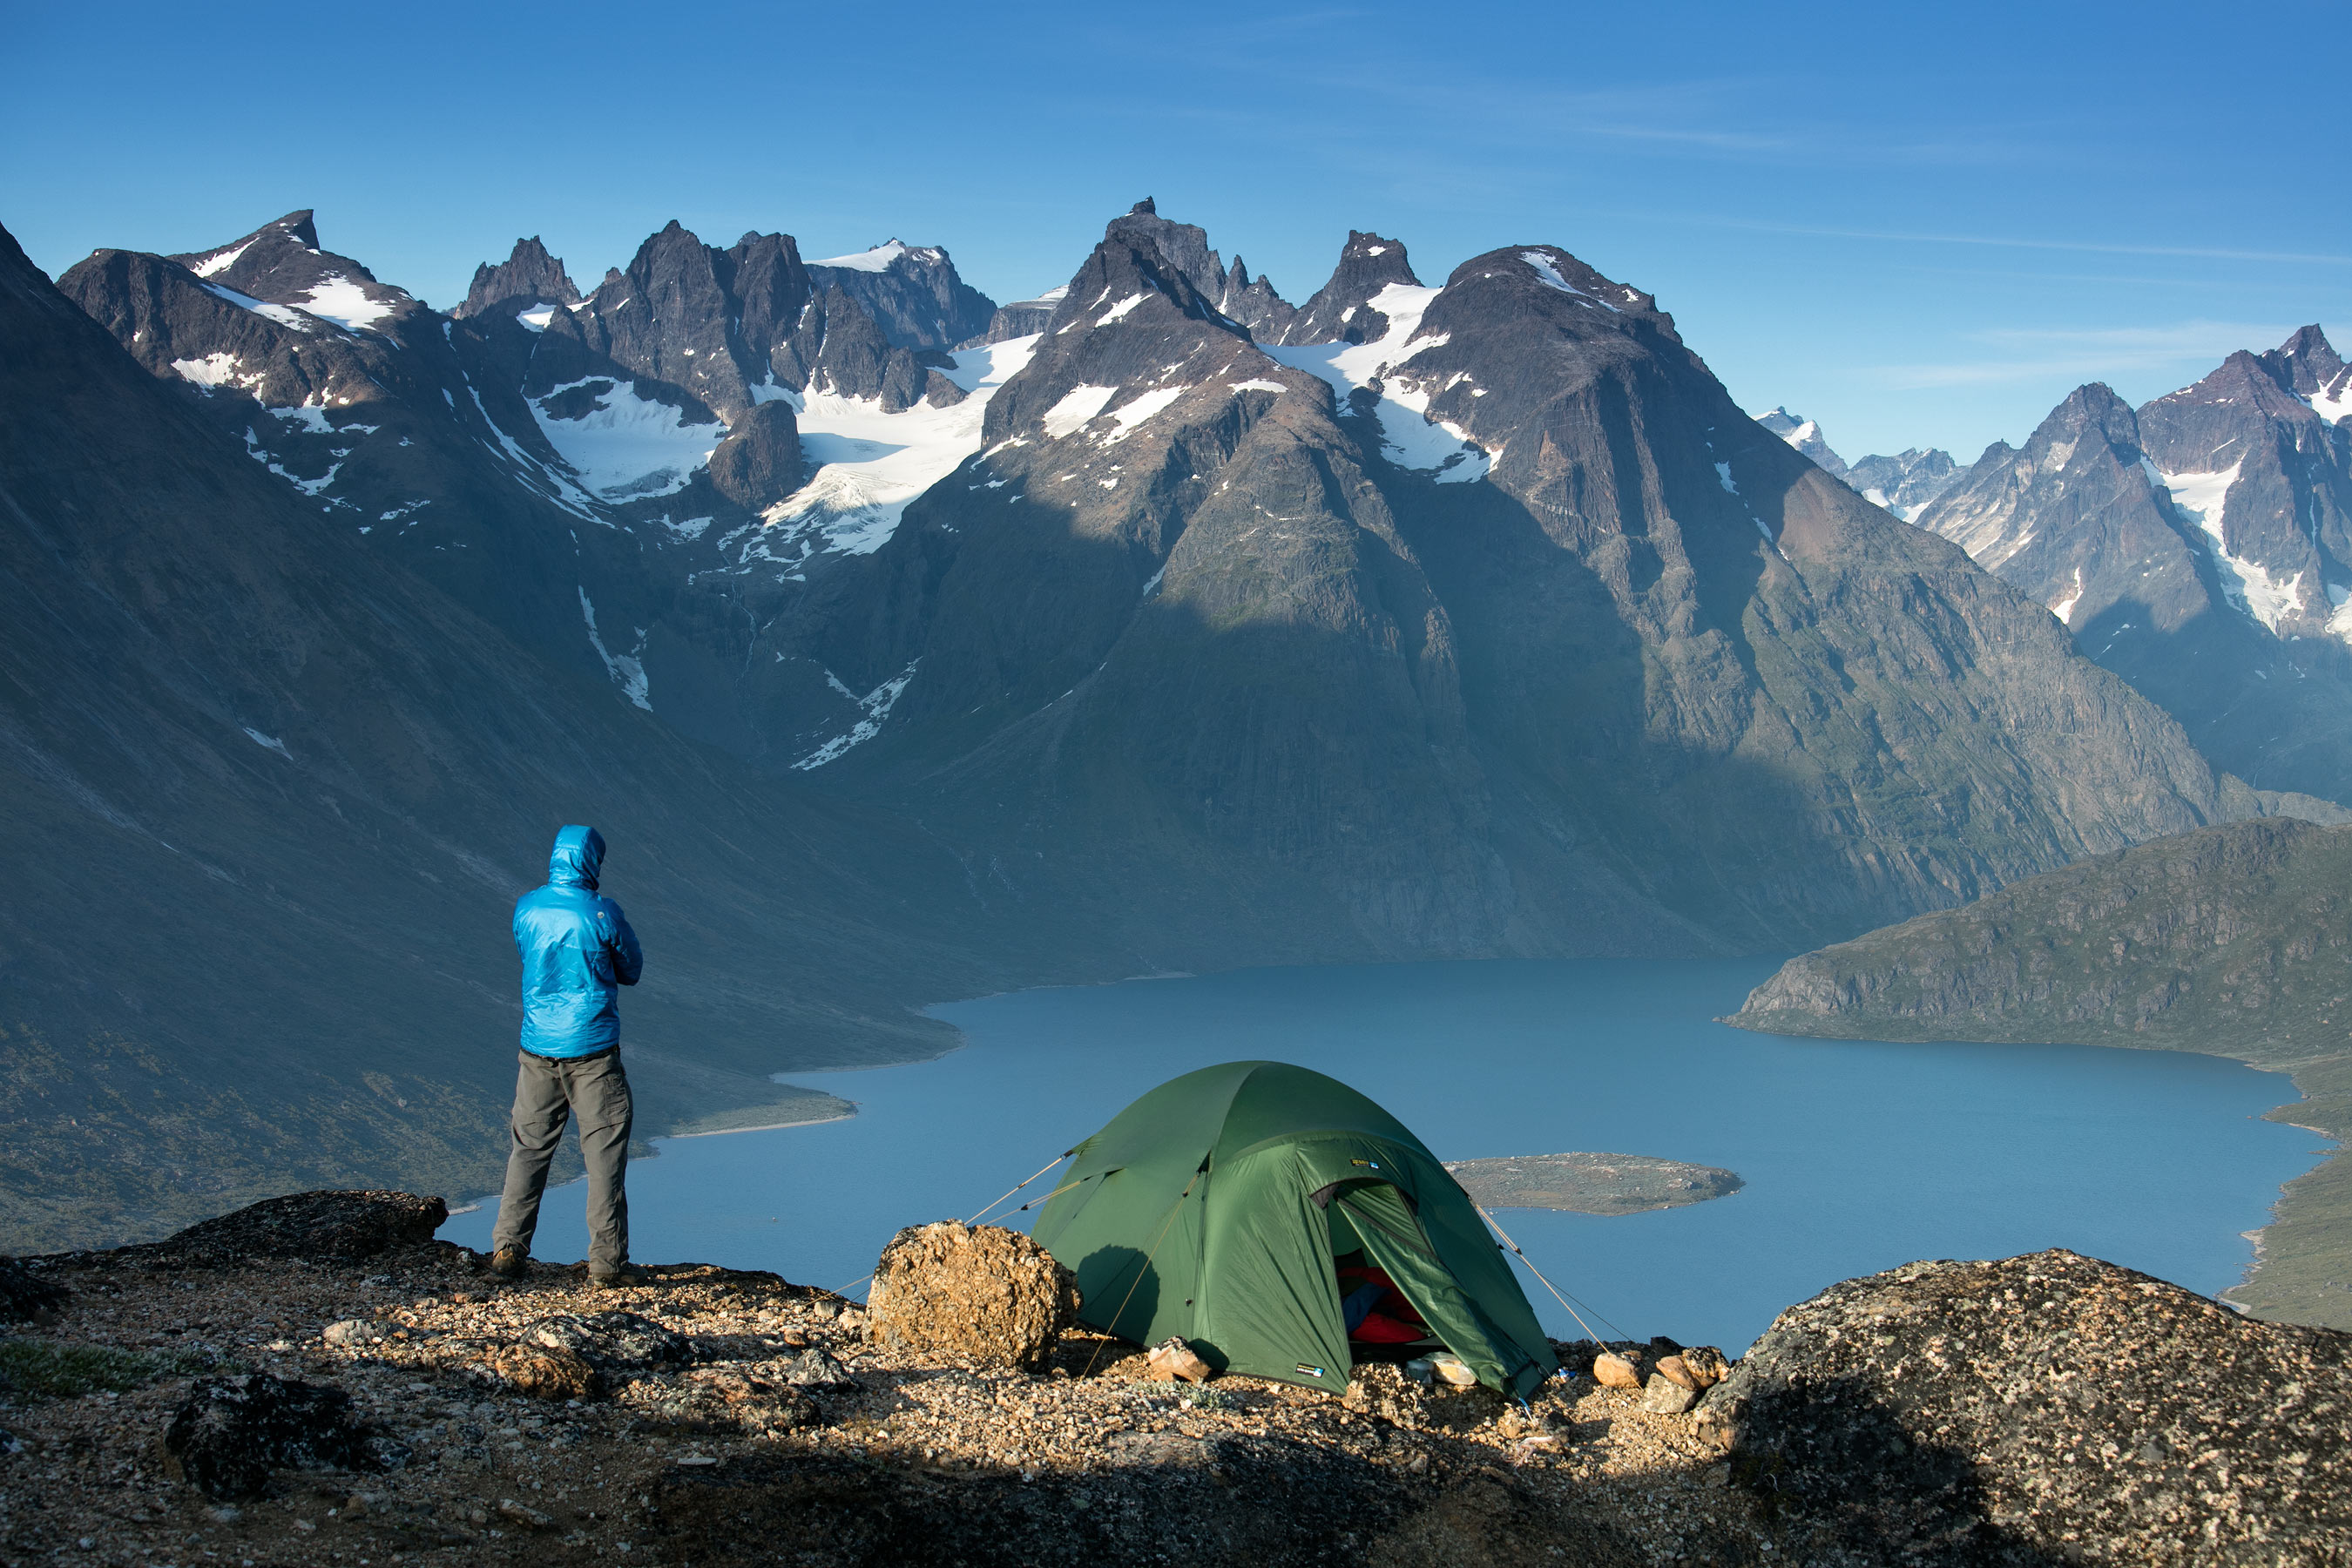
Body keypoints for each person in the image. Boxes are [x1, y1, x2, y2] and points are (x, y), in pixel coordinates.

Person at [488, 825, 645, 1288]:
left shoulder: (527, 907)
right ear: (592, 860)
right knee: (604, 1158)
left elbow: (528, 955)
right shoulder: (601, 913)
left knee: (529, 1150)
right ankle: (606, 1265)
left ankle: (507, 1249)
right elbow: (631, 970)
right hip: (593, 1052)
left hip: (536, 1048)